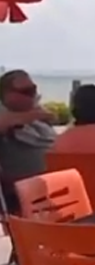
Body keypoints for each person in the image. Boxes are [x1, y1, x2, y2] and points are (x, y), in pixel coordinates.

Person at [0, 70, 56, 214]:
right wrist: (29, 116)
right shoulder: (9, 116)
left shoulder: (36, 117)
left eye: (33, 90)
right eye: (26, 91)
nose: (31, 95)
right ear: (7, 94)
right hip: (22, 194)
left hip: (53, 186)